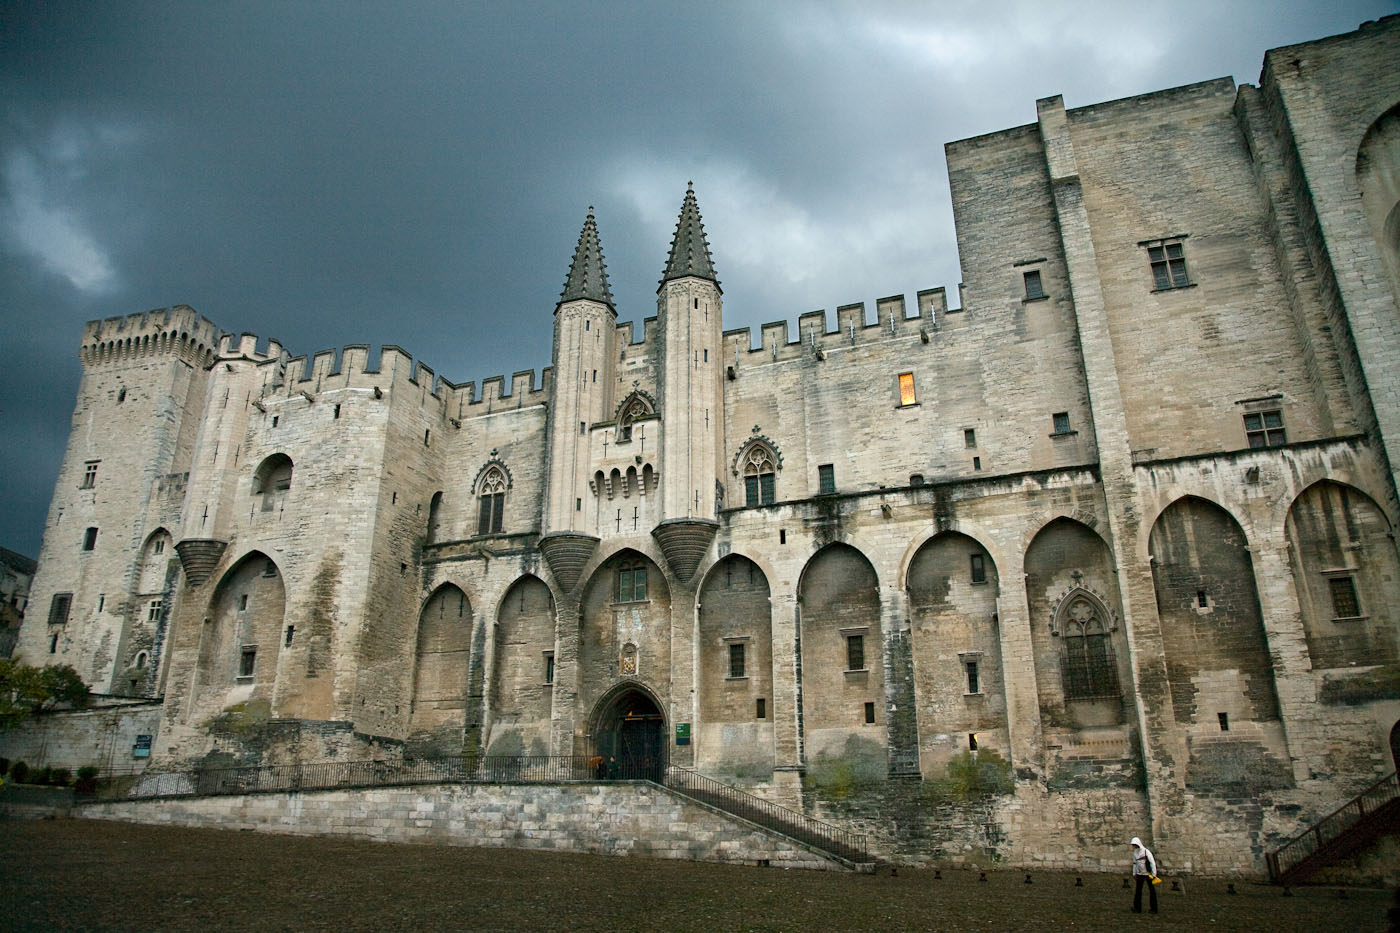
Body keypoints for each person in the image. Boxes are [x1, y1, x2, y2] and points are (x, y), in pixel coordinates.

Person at [1130, 837, 1159, 914]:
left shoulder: (1146, 851)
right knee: (1138, 891)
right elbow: (1135, 863)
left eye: (1135, 845)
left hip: (1148, 874)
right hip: (1140, 874)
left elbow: (1152, 863)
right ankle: (1137, 908)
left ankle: (1154, 908)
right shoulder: (1135, 852)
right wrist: (1134, 873)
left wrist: (1154, 874)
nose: (1134, 846)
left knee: (1152, 891)